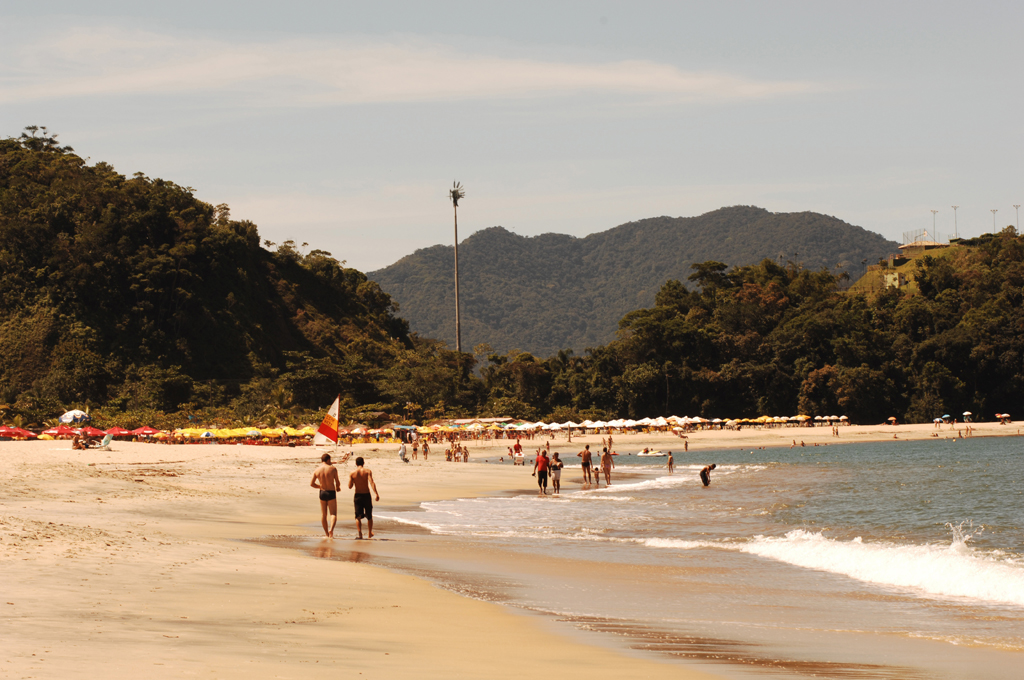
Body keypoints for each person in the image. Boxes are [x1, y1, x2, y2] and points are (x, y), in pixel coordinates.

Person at [310, 453, 341, 538]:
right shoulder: (333, 469)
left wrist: (320, 486)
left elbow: (312, 484)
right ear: (328, 460)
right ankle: (331, 529)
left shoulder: (317, 470)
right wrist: (338, 487)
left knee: (324, 515)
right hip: (331, 492)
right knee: (333, 514)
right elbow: (337, 481)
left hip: (322, 492)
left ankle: (326, 534)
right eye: (330, 460)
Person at [348, 457, 379, 539]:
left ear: (356, 464)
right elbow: (371, 482)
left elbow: (350, 486)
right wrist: (376, 493)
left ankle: (360, 534)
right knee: (369, 515)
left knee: (358, 516)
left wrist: (353, 480)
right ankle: (369, 533)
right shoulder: (367, 471)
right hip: (366, 495)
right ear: (363, 463)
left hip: (358, 495)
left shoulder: (352, 473)